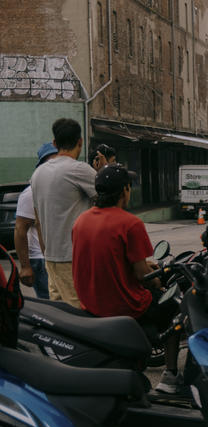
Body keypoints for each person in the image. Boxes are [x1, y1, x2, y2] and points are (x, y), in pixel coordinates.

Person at [72, 164, 183, 394]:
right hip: (125, 305)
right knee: (175, 310)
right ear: (124, 191)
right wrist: (158, 281)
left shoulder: (81, 221)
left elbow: (106, 259)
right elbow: (143, 276)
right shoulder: (130, 223)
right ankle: (170, 376)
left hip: (91, 302)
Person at [31, 118, 96, 307]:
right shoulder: (79, 169)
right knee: (80, 314)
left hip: (51, 258)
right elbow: (110, 199)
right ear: (80, 141)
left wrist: (46, 253)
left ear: (54, 143)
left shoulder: (37, 174)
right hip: (74, 257)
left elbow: (38, 220)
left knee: (61, 315)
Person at [13, 143, 58, 299]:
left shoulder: (62, 187)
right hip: (40, 259)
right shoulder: (30, 193)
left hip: (61, 256)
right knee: (53, 307)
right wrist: (25, 266)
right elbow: (20, 229)